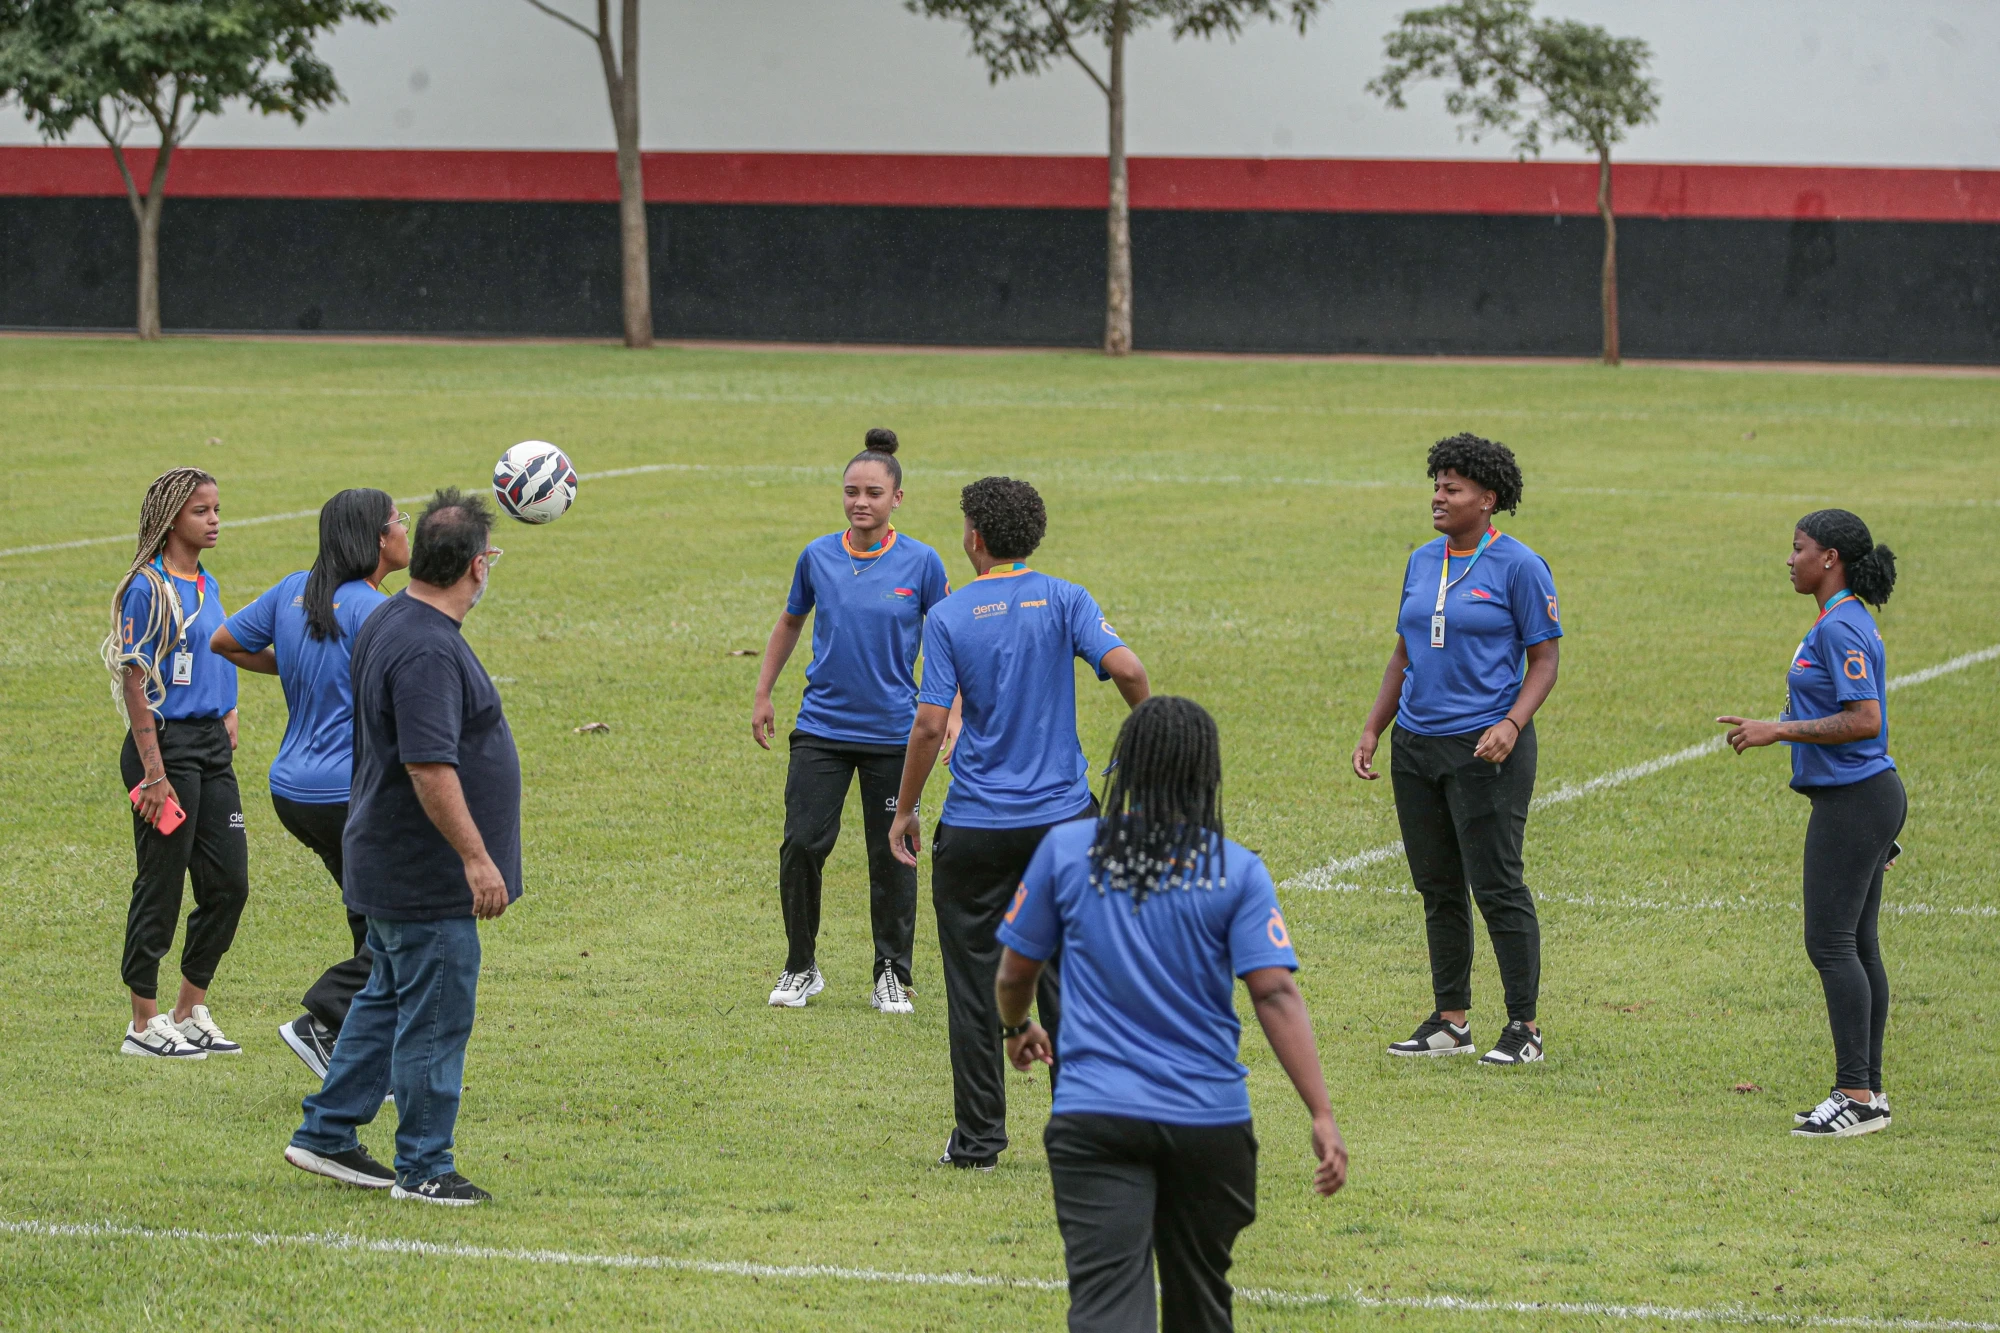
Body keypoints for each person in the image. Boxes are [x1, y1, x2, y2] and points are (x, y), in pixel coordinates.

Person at [998, 697, 1346, 1333]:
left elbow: (1016, 972)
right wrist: (1320, 1113)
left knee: (1106, 1308)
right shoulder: (1235, 870)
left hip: (1095, 1114)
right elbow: (1274, 994)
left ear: (1125, 767)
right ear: (1203, 777)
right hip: (1208, 1123)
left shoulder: (1068, 851)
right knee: (1200, 1302)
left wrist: (1018, 1027)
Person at [889, 475, 1150, 1170]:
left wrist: (907, 807)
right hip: (1066, 822)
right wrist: (1147, 739)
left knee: (975, 981)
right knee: (1073, 975)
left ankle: (977, 1140)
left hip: (976, 826)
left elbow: (929, 724)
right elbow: (1128, 666)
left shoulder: (948, 616)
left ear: (974, 536)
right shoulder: (1066, 597)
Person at [283, 488, 520, 1204]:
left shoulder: (393, 617)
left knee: (383, 1001)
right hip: (424, 874)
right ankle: (424, 1166)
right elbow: (428, 764)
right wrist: (477, 859)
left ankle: (325, 1132)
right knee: (437, 1014)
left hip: (386, 859)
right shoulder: (424, 646)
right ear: (478, 566)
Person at [1350, 433, 1561, 1067]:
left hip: (1485, 749)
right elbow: (1403, 652)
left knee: (1496, 885)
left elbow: (1545, 659)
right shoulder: (1422, 560)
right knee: (1438, 886)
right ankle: (1450, 1020)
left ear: (1488, 499)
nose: (1438, 497)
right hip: (1415, 745)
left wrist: (1513, 723)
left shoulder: (1520, 565)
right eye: (1436, 485)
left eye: (1453, 488)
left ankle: (1524, 1027)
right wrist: (1374, 727)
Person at [751, 429, 952, 1012]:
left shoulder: (922, 562)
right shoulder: (817, 556)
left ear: (897, 499)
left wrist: (956, 713)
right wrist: (764, 692)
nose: (860, 501)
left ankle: (892, 971)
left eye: (872, 493)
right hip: (822, 731)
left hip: (894, 735)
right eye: (850, 492)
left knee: (892, 853)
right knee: (801, 844)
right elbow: (790, 623)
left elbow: (948, 640)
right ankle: (800, 966)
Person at [1718, 509, 1904, 1139]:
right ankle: (1869, 1094)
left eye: (1798, 549)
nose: (1789, 559)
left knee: (1830, 943)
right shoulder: (1835, 621)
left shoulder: (1842, 627)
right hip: (1864, 799)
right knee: (1858, 944)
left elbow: (1864, 719)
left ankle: (1853, 1093)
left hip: (1856, 800)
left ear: (1830, 560)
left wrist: (1780, 730)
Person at [211, 489, 410, 1077]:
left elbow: (226, 641)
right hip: (353, 793)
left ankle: (364, 1053)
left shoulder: (293, 588)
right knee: (405, 927)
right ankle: (322, 1021)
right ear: (377, 539)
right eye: (400, 521)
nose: (407, 529)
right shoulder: (377, 611)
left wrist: (295, 663)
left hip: (293, 792)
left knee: (369, 915)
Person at [103, 467, 247, 1059]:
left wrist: (229, 708)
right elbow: (135, 683)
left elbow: (216, 648)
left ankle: (188, 1010)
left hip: (211, 748)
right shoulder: (148, 586)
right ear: (170, 519)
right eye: (201, 512)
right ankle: (143, 1023)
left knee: (229, 885)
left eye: (216, 509)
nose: (214, 520)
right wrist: (154, 773)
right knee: (161, 884)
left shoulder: (206, 582)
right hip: (164, 751)